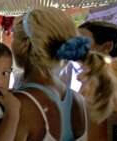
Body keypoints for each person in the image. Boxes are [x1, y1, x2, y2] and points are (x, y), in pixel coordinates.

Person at [11, 7, 89, 140]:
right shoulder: (79, 101)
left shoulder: (18, 105)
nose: (12, 44)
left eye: (14, 37)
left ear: (25, 44)